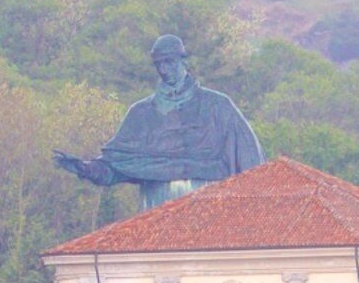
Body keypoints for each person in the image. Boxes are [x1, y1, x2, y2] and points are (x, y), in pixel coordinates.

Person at [57, 35, 265, 202]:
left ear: (184, 60)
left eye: (170, 62)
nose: (164, 70)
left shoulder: (218, 106)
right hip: (155, 214)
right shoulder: (141, 113)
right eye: (159, 64)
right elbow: (117, 165)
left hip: (212, 209)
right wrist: (86, 169)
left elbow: (252, 162)